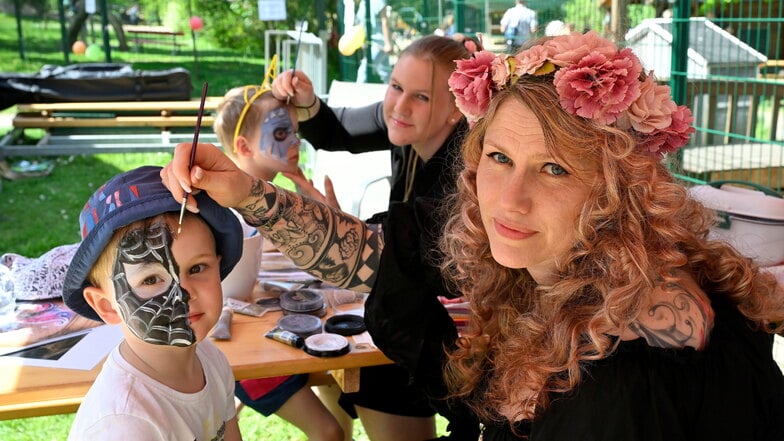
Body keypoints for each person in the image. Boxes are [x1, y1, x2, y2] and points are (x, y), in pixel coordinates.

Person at [162, 30, 784, 440]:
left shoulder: (628, 375)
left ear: (618, 190)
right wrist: (245, 192)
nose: (509, 201)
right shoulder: (556, 266)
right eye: (499, 159)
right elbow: (381, 252)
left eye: (556, 168)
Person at [270, 34, 473, 440]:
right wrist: (307, 101)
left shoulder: (467, 167)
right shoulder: (407, 124)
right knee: (354, 359)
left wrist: (347, 231)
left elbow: (425, 254)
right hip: (410, 301)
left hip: (463, 329)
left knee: (373, 372)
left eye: (421, 97)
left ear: (456, 110)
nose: (399, 106)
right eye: (396, 86)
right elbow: (341, 130)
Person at [62, 165, 243, 440]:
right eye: (150, 280)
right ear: (107, 306)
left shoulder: (211, 360)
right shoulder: (124, 425)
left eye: (197, 268)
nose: (184, 293)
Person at [212, 82, 349, 441]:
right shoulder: (225, 212)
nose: (295, 142)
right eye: (281, 132)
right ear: (243, 146)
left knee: (339, 398)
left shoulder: (286, 197)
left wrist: (328, 216)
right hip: (248, 352)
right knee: (330, 432)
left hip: (297, 332)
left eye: (296, 132)